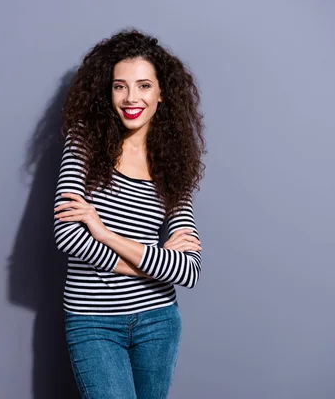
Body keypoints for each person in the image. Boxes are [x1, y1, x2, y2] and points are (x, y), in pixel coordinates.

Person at [53, 29, 206, 399]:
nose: (131, 97)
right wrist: (155, 259)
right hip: (93, 321)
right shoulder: (83, 143)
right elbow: (68, 237)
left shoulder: (173, 162)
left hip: (158, 320)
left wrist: (103, 233)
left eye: (143, 86)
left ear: (161, 93)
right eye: (120, 86)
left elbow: (188, 270)